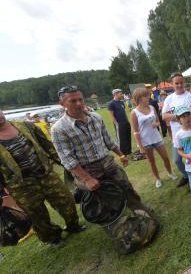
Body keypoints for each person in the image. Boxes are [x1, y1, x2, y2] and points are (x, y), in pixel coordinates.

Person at [51, 86, 149, 215]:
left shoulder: (95, 117)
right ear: (62, 104)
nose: (79, 103)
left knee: (126, 188)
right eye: (73, 101)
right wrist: (87, 179)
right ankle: (124, 224)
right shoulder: (58, 129)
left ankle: (142, 212)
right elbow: (67, 160)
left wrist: (121, 155)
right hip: (87, 170)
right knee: (105, 203)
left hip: (108, 162)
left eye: (80, 99)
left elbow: (108, 141)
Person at [0, 109, 85, 246]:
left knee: (66, 199)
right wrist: (3, 195)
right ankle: (52, 237)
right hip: (21, 186)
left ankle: (73, 225)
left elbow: (48, 147)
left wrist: (67, 165)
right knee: (36, 215)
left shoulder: (26, 126)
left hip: (46, 174)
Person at [130, 88, 177, 188]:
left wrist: (156, 124)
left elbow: (158, 122)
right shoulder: (134, 112)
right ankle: (158, 179)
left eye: (148, 95)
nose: (148, 97)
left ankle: (170, 173)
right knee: (152, 162)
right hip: (146, 142)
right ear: (139, 98)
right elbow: (135, 131)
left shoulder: (151, 108)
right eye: (145, 96)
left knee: (165, 157)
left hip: (157, 138)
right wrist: (141, 147)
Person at [162, 73, 191, 188]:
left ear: (184, 82)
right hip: (177, 135)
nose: (179, 85)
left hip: (190, 133)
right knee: (177, 160)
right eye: (176, 83)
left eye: (181, 82)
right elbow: (164, 116)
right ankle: (187, 176)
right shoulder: (169, 98)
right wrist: (179, 116)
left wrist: (173, 115)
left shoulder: (189, 97)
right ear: (172, 84)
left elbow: (189, 116)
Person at [174, 106, 191, 216]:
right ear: (178, 120)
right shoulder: (178, 135)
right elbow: (179, 150)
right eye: (183, 116)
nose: (187, 118)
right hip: (190, 165)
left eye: (188, 115)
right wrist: (187, 156)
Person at [108, 89, 132, 156]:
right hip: (119, 124)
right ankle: (123, 154)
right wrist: (116, 124)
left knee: (128, 137)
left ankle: (129, 151)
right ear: (115, 94)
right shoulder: (111, 104)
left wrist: (127, 120)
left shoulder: (121, 102)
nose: (122, 95)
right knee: (122, 139)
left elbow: (124, 112)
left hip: (126, 123)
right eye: (120, 94)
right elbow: (111, 115)